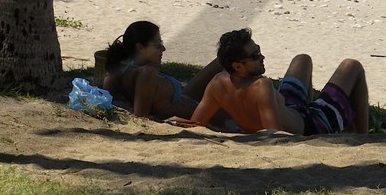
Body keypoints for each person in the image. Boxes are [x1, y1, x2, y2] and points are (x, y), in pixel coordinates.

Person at [185, 28, 369, 136]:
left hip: (291, 107)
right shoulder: (261, 86)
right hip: (312, 125)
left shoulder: (218, 83)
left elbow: (196, 123)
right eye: (256, 56)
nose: (262, 56)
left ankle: (312, 103)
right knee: (352, 66)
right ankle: (364, 138)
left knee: (302, 59)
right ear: (238, 66)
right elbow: (275, 135)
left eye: (259, 51)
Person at [99, 20, 225, 122]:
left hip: (187, 98)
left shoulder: (114, 75)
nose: (163, 48)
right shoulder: (146, 73)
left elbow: (114, 104)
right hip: (200, 112)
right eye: (157, 44)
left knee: (224, 57)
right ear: (140, 47)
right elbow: (140, 117)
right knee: (228, 58)